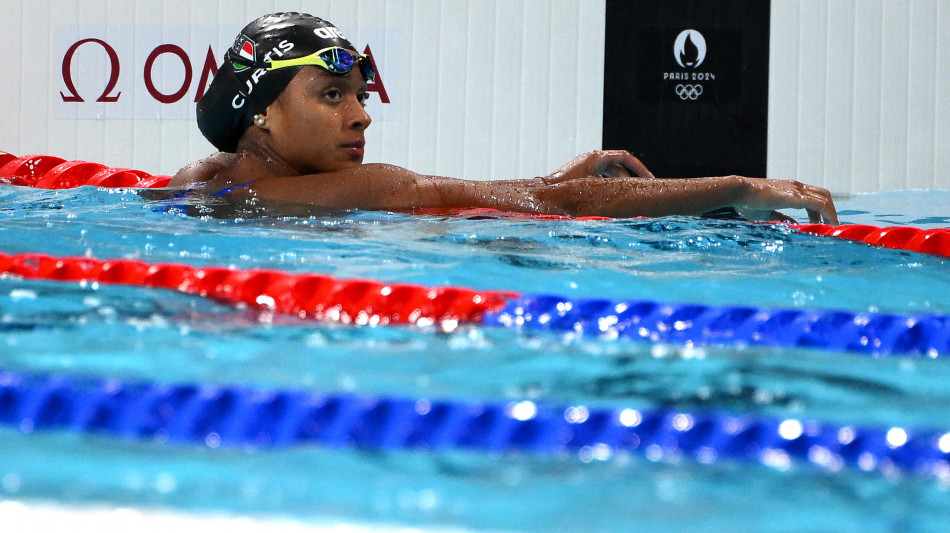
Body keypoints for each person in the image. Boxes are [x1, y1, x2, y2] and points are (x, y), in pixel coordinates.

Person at [172, 12, 838, 225]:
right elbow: (554, 207)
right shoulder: (366, 187)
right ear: (261, 110)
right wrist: (741, 186)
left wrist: (545, 182)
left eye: (361, 96)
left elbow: (524, 194)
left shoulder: (199, 180)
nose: (362, 117)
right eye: (332, 96)